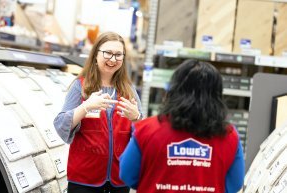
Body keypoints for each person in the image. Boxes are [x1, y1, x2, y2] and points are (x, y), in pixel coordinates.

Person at [119, 59, 245, 193]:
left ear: (174, 89)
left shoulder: (147, 130)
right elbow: (234, 184)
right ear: (217, 95)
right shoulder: (229, 136)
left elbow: (127, 174)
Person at [54, 31, 143, 193]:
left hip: (119, 180)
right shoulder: (80, 87)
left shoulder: (129, 91)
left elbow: (143, 135)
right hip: (84, 181)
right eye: (108, 53)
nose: (113, 59)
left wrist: (136, 118)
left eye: (118, 55)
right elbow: (61, 125)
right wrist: (85, 107)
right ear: (95, 55)